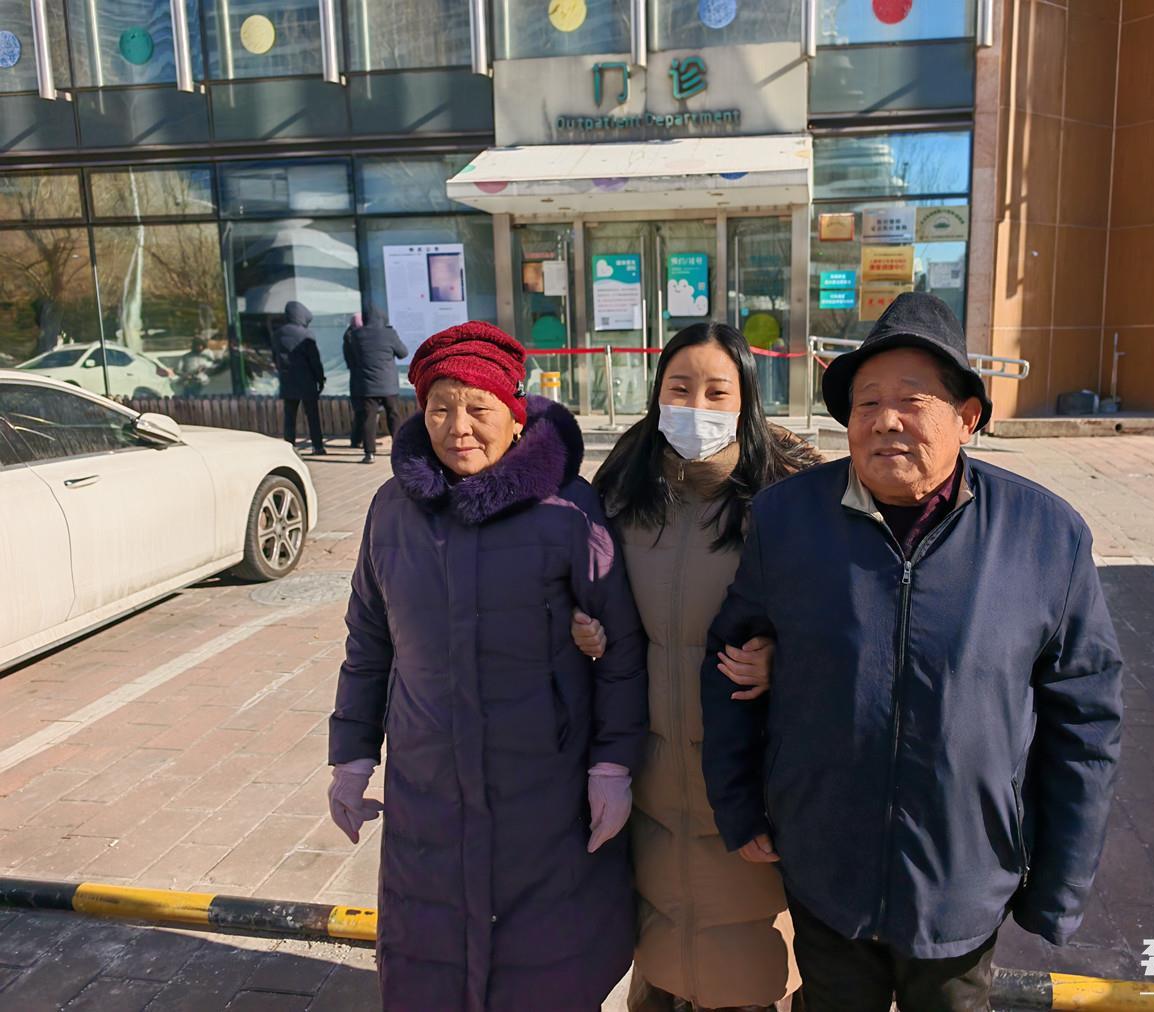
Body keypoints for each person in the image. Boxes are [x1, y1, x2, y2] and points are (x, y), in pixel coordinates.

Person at [699, 292, 1124, 1012]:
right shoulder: (786, 519)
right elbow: (730, 662)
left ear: (967, 417)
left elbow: (1085, 719)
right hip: (825, 865)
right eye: (866, 402)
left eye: (911, 399)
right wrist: (740, 807)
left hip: (964, 879)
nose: (885, 420)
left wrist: (1058, 882)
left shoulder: (1045, 536)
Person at [327, 321, 649, 1011]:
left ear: (515, 413)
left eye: (479, 407)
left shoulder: (567, 509)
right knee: (428, 959)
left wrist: (612, 766)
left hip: (542, 781)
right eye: (440, 408)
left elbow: (620, 646)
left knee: (544, 966)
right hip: (427, 781)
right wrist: (351, 755)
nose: (459, 428)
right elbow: (369, 639)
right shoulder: (392, 510)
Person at [571, 323, 820, 1012]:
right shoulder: (620, 491)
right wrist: (581, 626)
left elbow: (839, 621)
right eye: (679, 389)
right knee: (658, 935)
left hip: (742, 772)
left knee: (740, 947)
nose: (696, 407)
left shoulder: (788, 499)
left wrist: (783, 657)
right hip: (647, 764)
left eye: (717, 392)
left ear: (746, 401)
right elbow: (582, 589)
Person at [343, 305, 409, 464]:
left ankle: (369, 453)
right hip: (388, 384)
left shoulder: (356, 335)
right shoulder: (389, 334)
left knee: (369, 418)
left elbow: (351, 360)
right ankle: (399, 449)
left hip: (367, 385)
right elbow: (403, 353)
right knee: (393, 415)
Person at [272, 300, 326, 455]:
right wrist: (320, 378)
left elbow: (275, 357)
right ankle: (318, 446)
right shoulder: (306, 334)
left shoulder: (278, 334)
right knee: (312, 416)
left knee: (290, 417)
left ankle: (289, 446)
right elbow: (314, 360)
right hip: (306, 381)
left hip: (287, 380)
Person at [342, 311, 363, 448]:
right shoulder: (357, 338)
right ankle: (359, 440)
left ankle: (356, 440)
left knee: (360, 411)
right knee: (364, 411)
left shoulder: (348, 337)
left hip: (355, 378)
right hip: (362, 378)